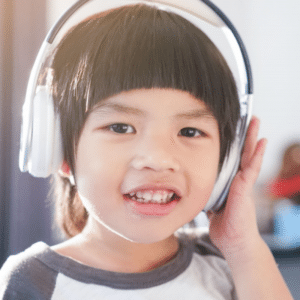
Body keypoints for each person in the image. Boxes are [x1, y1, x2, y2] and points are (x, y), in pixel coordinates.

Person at [0, 4, 293, 299]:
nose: (157, 159)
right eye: (121, 127)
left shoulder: (232, 262)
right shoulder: (33, 282)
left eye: (190, 131)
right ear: (59, 148)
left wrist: (242, 245)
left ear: (226, 162)